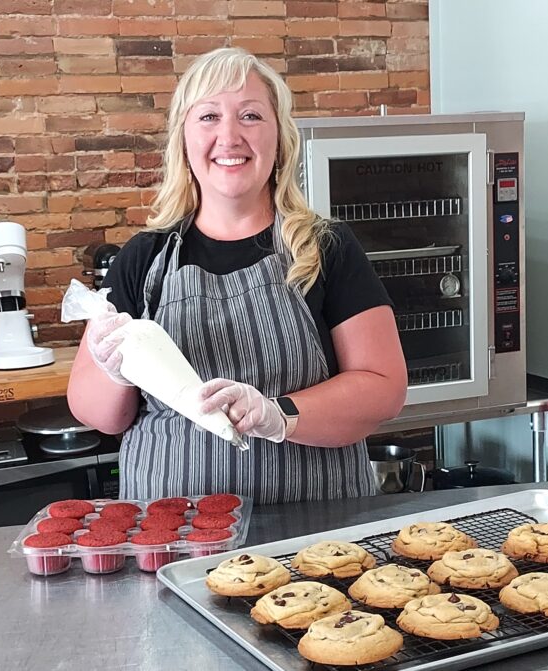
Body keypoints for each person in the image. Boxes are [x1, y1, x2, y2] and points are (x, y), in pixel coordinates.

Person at [67, 47, 407, 503]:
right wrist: (117, 374)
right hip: (176, 533)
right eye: (208, 117)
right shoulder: (143, 258)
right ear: (184, 141)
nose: (229, 136)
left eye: (250, 116)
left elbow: (383, 388)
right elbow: (97, 415)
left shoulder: (325, 248)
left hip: (316, 536)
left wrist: (277, 415)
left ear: (280, 139)